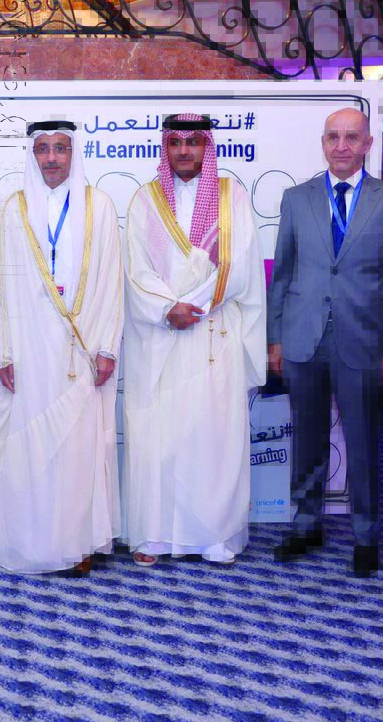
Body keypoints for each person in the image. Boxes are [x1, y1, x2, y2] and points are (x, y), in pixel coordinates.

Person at [267, 107, 383, 577]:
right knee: (306, 437)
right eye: (333, 137)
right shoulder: (295, 199)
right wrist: (275, 339)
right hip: (303, 341)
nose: (342, 146)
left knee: (363, 443)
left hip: (363, 342)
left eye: (352, 137)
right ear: (323, 143)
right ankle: (306, 523)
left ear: (369, 144)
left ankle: (366, 534)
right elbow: (283, 276)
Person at [121, 113, 267, 567]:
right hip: (161, 336)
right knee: (158, 438)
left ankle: (214, 535)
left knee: (213, 437)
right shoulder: (145, 200)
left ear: (207, 146)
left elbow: (239, 264)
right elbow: (135, 269)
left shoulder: (232, 196)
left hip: (211, 335)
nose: (184, 150)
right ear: (165, 148)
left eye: (193, 141)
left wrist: (195, 304)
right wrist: (168, 308)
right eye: (176, 142)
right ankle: (156, 535)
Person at [0, 120, 123, 576]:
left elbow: (111, 282)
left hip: (80, 348)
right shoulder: (14, 209)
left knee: (79, 446)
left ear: (73, 153)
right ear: (32, 154)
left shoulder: (98, 207)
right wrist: (1, 351)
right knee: (33, 444)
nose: (52, 158)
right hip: (28, 346)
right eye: (43, 149)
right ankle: (34, 539)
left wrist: (106, 347)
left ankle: (77, 543)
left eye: (60, 148)